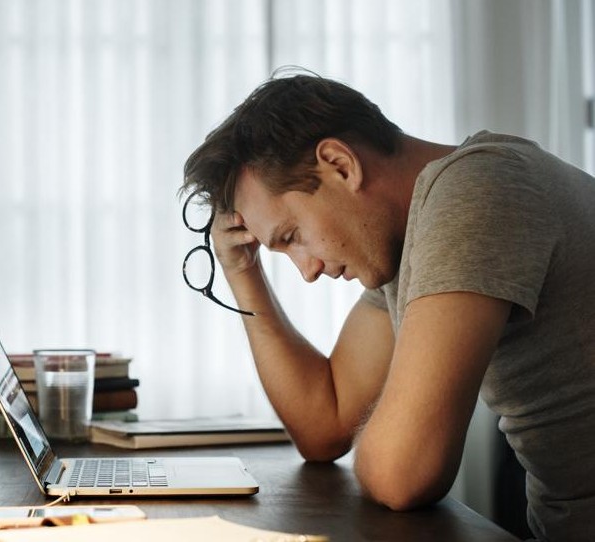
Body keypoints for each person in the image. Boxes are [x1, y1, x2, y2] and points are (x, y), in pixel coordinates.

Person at [181, 70, 595, 541]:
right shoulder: (409, 241)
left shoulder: (479, 188)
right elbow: (325, 425)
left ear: (339, 164)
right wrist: (241, 271)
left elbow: (404, 473)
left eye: (292, 236)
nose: (308, 269)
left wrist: (390, 438)